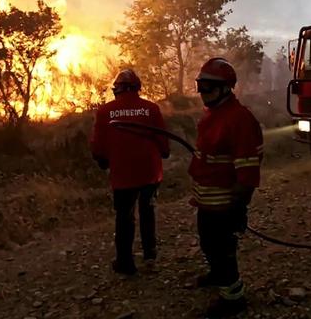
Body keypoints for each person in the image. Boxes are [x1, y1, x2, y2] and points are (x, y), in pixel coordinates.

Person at [189, 58, 263, 317]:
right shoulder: (213, 115)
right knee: (209, 243)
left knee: (222, 249)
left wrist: (238, 208)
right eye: (200, 86)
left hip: (224, 204)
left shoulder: (238, 119)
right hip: (207, 201)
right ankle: (217, 275)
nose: (202, 93)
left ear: (225, 88)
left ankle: (233, 297)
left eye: (208, 87)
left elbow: (248, 171)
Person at [90, 69, 170, 275]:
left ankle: (125, 262)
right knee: (147, 211)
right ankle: (150, 255)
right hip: (150, 172)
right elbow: (162, 140)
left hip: (123, 174)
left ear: (118, 89)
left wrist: (102, 160)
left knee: (124, 216)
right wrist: (164, 152)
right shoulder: (151, 109)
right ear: (137, 88)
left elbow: (98, 145)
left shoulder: (105, 111)